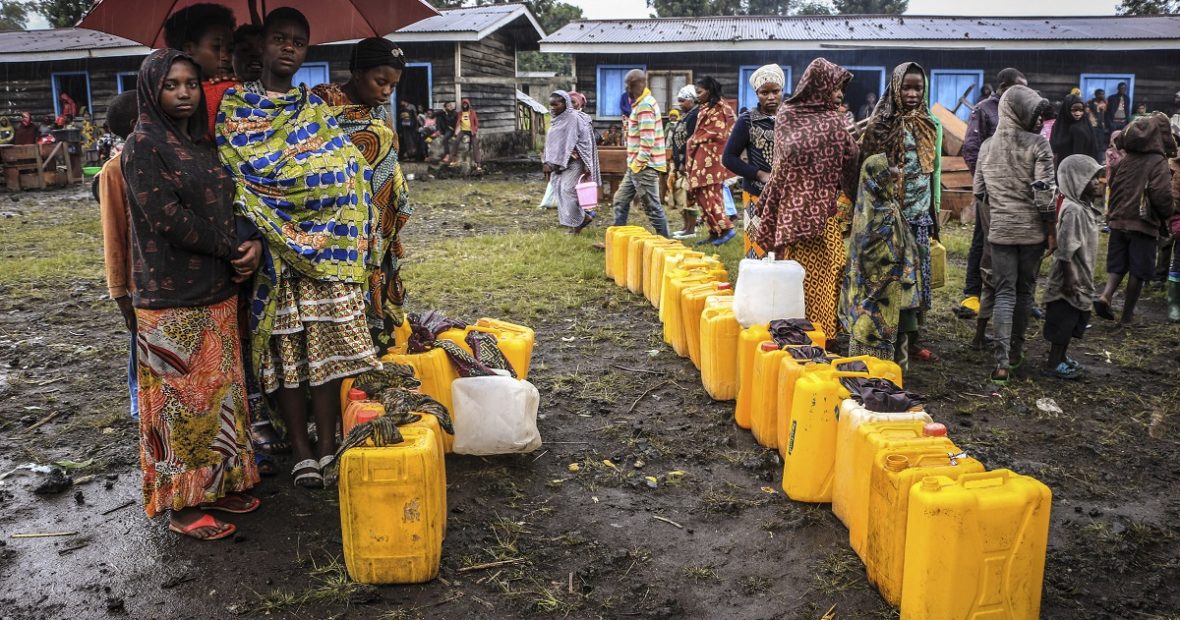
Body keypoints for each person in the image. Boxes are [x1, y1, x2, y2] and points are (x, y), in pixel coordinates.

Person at [217, 7, 382, 489]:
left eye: (299, 42)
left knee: (327, 352)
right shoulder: (236, 106)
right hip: (275, 252)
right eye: (280, 38)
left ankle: (328, 446)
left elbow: (347, 166)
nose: (288, 47)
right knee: (288, 352)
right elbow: (236, 169)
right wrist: (284, 201)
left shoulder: (313, 108)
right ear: (262, 45)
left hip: (327, 250)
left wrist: (321, 199)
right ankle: (302, 452)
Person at [123, 49, 261, 539]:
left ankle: (220, 485)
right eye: (171, 85)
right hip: (169, 296)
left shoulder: (201, 144)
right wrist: (230, 247)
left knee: (219, 397)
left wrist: (250, 245)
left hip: (216, 290)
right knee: (179, 404)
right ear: (151, 91)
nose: (183, 93)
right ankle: (182, 507)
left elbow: (226, 204)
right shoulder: (142, 146)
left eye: (190, 84)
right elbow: (169, 220)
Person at [312, 37, 414, 353]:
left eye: (393, 86)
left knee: (376, 300)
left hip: (379, 226)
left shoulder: (380, 115)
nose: (386, 91)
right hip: (338, 227)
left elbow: (388, 162)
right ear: (357, 72)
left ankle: (374, 363)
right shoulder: (322, 105)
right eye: (380, 81)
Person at [753, 58, 859, 341]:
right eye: (835, 88)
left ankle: (815, 335)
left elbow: (848, 162)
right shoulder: (798, 116)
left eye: (841, 90)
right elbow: (781, 166)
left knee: (822, 273)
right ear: (819, 86)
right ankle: (806, 335)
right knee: (807, 276)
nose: (839, 95)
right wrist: (854, 194)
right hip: (805, 213)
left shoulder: (803, 116)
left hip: (807, 213)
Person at [859, 62, 943, 364]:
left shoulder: (929, 124)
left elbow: (932, 172)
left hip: (920, 216)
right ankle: (886, 346)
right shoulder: (881, 124)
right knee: (891, 283)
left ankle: (910, 342)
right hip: (890, 219)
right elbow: (866, 171)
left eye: (917, 88)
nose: (911, 93)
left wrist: (933, 214)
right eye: (906, 87)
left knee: (917, 283)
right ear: (895, 87)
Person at [974, 85, 1055, 385]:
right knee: (1024, 292)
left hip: (1000, 232)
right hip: (1032, 233)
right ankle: (1018, 352)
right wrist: (1051, 231)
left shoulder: (986, 147)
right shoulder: (1038, 144)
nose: (1036, 119)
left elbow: (980, 192)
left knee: (1004, 293)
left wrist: (997, 218)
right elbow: (1045, 195)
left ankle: (1001, 363)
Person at [1094, 113, 1177, 325]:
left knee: (1118, 264)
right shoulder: (1158, 162)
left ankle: (1106, 295)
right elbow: (1161, 194)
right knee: (1139, 270)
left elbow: (1114, 185)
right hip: (1143, 224)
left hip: (1119, 220)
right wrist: (1170, 210)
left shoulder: (1126, 160)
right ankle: (1127, 317)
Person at [958, 68, 1027, 319]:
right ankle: (972, 294)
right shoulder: (984, 109)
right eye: (1018, 87)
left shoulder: (1020, 110)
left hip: (1016, 189)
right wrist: (985, 181)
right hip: (989, 188)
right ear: (1003, 85)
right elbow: (971, 148)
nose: (1022, 93)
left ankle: (1011, 296)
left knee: (1014, 242)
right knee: (982, 239)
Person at [841, 154, 921, 367]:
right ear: (876, 180)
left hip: (897, 291)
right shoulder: (870, 212)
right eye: (890, 181)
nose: (895, 187)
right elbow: (869, 254)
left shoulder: (889, 207)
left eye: (896, 182)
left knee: (898, 342)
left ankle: (893, 376)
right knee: (870, 352)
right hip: (875, 297)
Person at [1041, 154, 1104, 380]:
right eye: (1092, 178)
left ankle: (1061, 357)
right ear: (1077, 181)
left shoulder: (1082, 207)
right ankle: (1053, 363)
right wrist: (1069, 276)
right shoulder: (1074, 210)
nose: (1098, 182)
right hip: (1069, 279)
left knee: (1072, 320)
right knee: (1063, 323)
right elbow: (1066, 247)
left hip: (1079, 275)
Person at [98, 92, 139, 419]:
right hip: (137, 282)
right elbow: (113, 235)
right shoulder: (115, 170)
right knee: (138, 345)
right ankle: (139, 405)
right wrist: (119, 293)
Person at [723, 64, 783, 257]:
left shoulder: (791, 118)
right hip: (756, 194)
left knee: (784, 250)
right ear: (757, 94)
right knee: (757, 250)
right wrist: (759, 174)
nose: (771, 97)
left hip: (786, 196)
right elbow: (729, 158)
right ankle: (756, 286)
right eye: (764, 92)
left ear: (782, 90)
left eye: (775, 91)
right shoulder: (747, 120)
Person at [609, 69, 670, 238]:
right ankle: (617, 240)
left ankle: (667, 243)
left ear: (639, 84)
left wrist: (637, 164)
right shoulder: (640, 104)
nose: (626, 89)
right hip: (636, 166)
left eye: (628, 85)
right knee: (620, 201)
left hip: (644, 166)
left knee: (652, 208)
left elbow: (647, 140)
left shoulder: (644, 105)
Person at [163, 2, 236, 138]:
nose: (226, 57)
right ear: (189, 48)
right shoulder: (232, 92)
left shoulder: (158, 99)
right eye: (217, 47)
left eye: (230, 49)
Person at [686, 76, 736, 245]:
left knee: (711, 195)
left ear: (709, 90)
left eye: (699, 92)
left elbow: (721, 133)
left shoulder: (721, 108)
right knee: (701, 195)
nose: (697, 96)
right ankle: (714, 231)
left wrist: (696, 139)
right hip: (700, 156)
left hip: (713, 158)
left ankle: (726, 229)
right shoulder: (705, 108)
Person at [544, 90, 600, 234]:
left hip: (575, 161)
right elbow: (551, 143)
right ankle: (578, 220)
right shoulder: (556, 120)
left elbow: (586, 140)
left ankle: (579, 223)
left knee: (567, 190)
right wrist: (548, 161)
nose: (552, 108)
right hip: (559, 163)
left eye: (555, 105)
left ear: (565, 104)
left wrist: (588, 164)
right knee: (559, 190)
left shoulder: (574, 118)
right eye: (551, 105)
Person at [667, 85, 700, 239]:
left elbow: (691, 141)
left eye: (683, 101)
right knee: (680, 195)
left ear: (692, 100)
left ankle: (691, 229)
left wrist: (683, 161)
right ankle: (685, 226)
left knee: (688, 197)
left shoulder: (695, 116)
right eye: (679, 101)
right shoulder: (686, 115)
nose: (680, 104)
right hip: (679, 160)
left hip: (688, 162)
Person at [1050, 95, 1097, 165]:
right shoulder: (1059, 126)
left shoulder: (1080, 127)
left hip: (1078, 168)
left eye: (1081, 110)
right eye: (1074, 110)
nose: (1078, 114)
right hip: (1062, 167)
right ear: (1066, 109)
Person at [450, 98, 480, 169]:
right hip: (463, 130)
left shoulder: (472, 112)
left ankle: (478, 163)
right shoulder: (460, 113)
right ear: (462, 105)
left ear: (468, 105)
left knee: (475, 144)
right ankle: (454, 160)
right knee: (456, 141)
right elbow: (458, 122)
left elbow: (476, 123)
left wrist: (475, 130)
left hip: (471, 130)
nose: (465, 105)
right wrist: (456, 131)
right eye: (463, 104)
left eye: (466, 104)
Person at [1088, 88, 1110, 162]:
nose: (1102, 95)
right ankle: (1092, 160)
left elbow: (1106, 114)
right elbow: (1091, 112)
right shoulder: (1090, 102)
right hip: (1093, 126)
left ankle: (1099, 161)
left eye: (1103, 94)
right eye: (1100, 94)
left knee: (1101, 144)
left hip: (1101, 127)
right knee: (1093, 144)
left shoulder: (1104, 103)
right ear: (1096, 95)